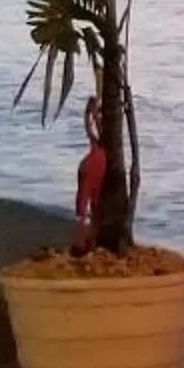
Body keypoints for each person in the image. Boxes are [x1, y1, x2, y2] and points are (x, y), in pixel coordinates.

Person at [71, 95, 107, 253]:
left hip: (90, 166)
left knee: (85, 205)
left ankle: (84, 241)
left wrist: (90, 113)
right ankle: (86, 242)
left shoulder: (100, 142)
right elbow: (93, 128)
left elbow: (90, 128)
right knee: (92, 206)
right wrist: (92, 114)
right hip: (94, 168)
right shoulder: (103, 142)